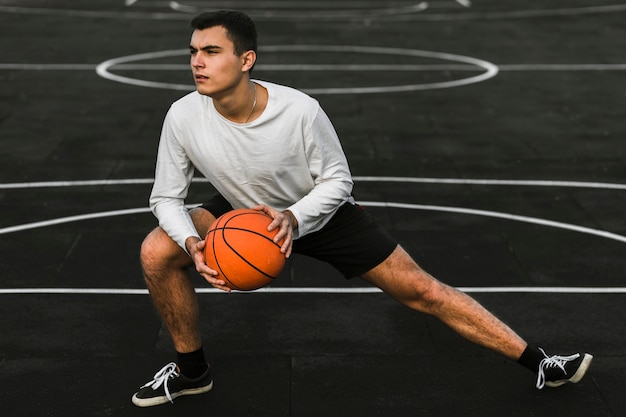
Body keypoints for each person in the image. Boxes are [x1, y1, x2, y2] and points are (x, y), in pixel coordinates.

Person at [132, 10, 593, 407]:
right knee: (157, 250)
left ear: (246, 59)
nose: (196, 61)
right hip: (244, 213)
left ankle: (542, 363)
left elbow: (338, 181)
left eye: (211, 51)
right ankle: (193, 372)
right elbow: (166, 197)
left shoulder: (300, 111)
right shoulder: (183, 115)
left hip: (319, 213)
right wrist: (192, 243)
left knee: (422, 291)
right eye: (193, 51)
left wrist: (294, 217)